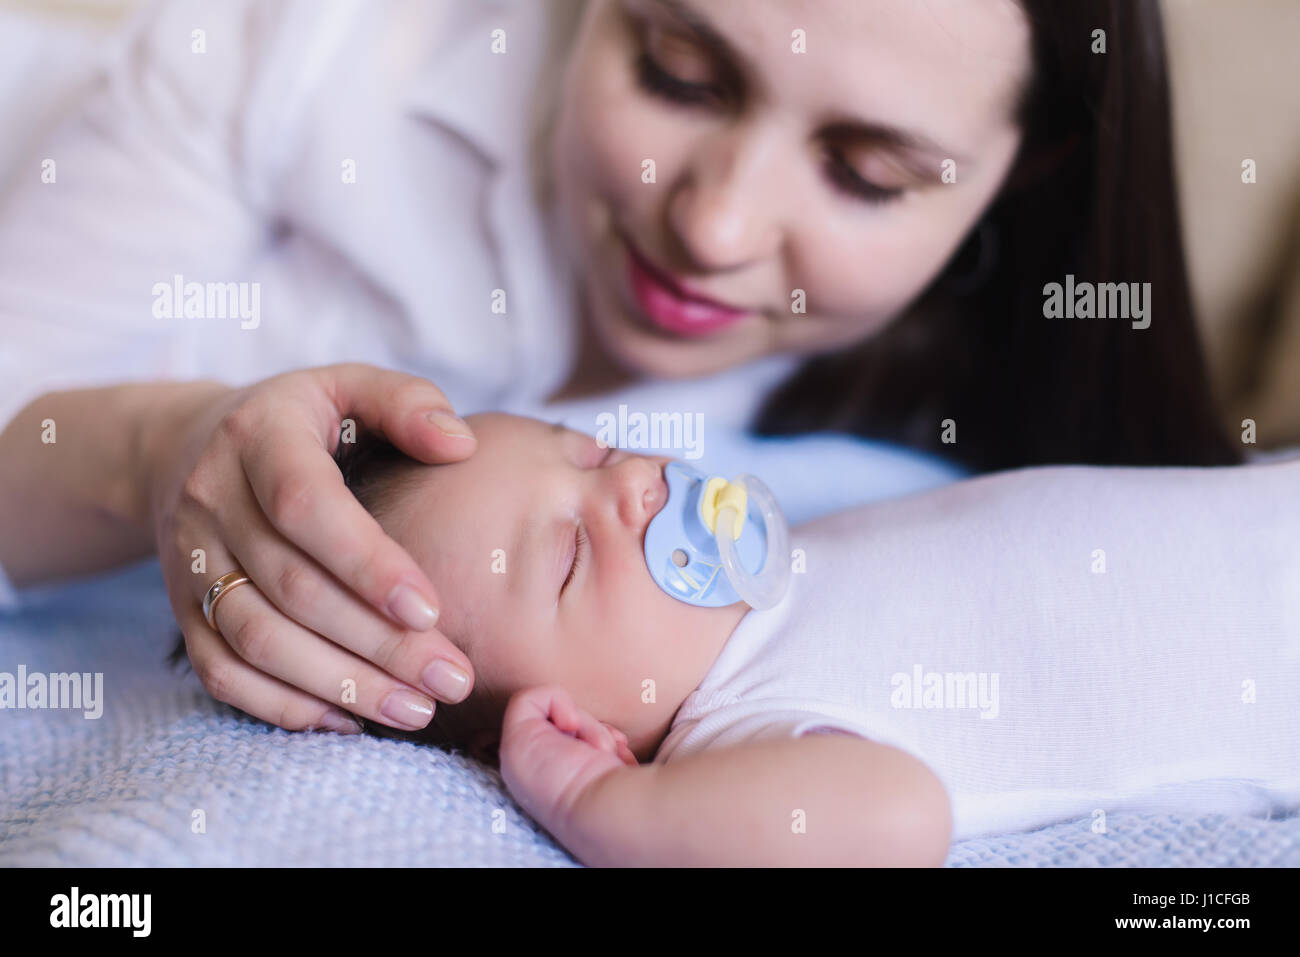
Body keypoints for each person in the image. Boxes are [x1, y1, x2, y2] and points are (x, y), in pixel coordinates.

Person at [0, 0, 1239, 739]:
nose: (713, 227)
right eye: (677, 74)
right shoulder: (310, 46)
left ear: (1026, 170)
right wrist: (156, 450)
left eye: (867, 175)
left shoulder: (980, 416)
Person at [224, 411, 1300, 866]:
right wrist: (607, 808)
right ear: (580, 726)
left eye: (591, 455)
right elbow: (897, 818)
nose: (634, 490)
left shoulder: (791, 571)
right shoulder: (742, 734)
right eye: (567, 561)